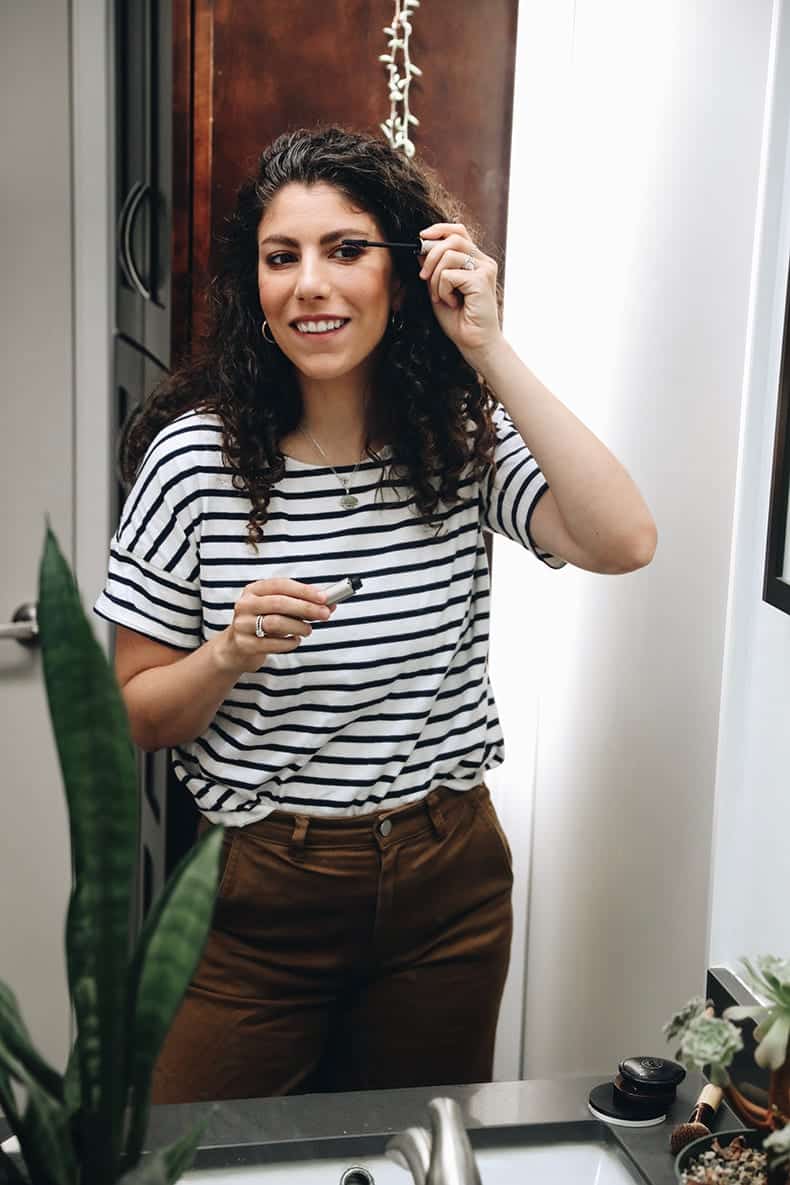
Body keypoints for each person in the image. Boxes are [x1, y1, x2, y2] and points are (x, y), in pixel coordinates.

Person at [95, 125, 657, 1102]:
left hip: (449, 886)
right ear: (255, 287)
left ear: (402, 277)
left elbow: (624, 540)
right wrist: (227, 652)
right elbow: (136, 713)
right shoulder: (194, 462)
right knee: (186, 1155)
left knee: (417, 1154)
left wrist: (488, 348)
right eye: (281, 257)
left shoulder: (455, 440)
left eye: (345, 249)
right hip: (262, 890)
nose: (309, 284)